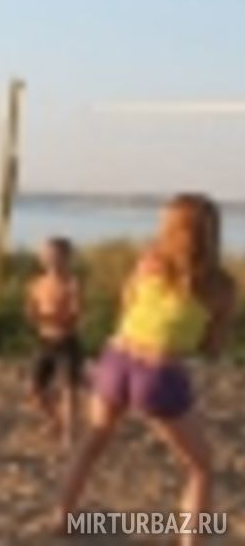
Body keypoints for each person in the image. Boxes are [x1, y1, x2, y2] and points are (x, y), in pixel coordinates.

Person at [58, 194, 236, 545]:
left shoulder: (149, 261)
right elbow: (213, 347)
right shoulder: (220, 286)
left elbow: (127, 306)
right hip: (158, 371)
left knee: (91, 446)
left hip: (117, 359)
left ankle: (63, 517)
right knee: (200, 466)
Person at [26, 237, 84, 446]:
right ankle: (55, 419)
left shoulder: (72, 283)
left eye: (56, 256)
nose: (51, 260)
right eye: (47, 255)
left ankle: (69, 432)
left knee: (69, 388)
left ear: (67, 258)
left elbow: (76, 313)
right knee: (35, 390)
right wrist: (36, 316)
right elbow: (31, 310)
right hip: (45, 340)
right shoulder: (37, 284)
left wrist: (57, 318)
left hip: (66, 341)